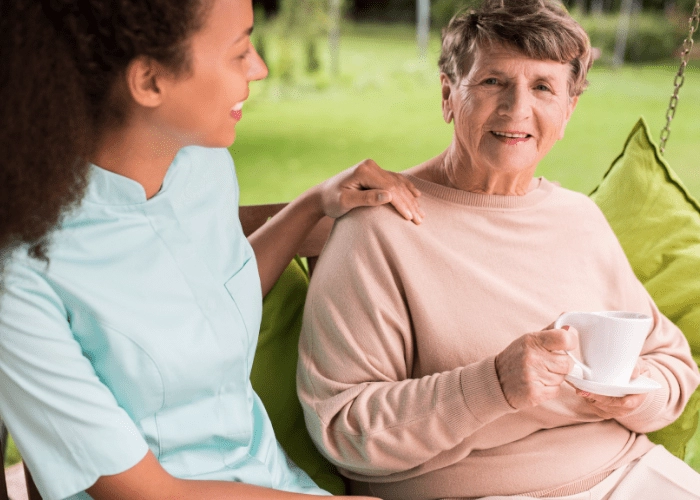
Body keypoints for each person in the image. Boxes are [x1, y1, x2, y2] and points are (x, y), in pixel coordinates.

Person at [0, 0, 425, 499]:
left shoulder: (202, 166)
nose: (260, 68)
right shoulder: (22, 276)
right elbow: (147, 492)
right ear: (150, 81)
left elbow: (216, 294)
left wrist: (314, 204)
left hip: (276, 485)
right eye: (240, 51)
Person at [296, 1, 700, 499]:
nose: (517, 110)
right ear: (448, 95)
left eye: (543, 88)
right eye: (492, 82)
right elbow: (343, 428)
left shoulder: (578, 219)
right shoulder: (381, 227)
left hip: (630, 471)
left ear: (568, 110)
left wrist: (632, 393)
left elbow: (672, 364)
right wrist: (492, 386)